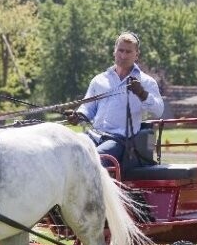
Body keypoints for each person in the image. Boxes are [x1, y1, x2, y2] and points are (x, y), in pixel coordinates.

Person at [66, 32, 164, 166]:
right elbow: (87, 109)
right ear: (114, 51)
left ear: (137, 54)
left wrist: (142, 93)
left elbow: (158, 111)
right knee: (65, 151)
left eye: (128, 52)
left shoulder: (146, 82)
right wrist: (78, 116)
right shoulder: (99, 80)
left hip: (119, 142)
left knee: (93, 161)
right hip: (92, 136)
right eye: (120, 50)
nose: (123, 56)